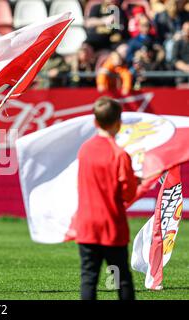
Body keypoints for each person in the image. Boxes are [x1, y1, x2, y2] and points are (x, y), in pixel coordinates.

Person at [75, 97, 138, 300]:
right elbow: (128, 193)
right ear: (119, 123)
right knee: (121, 278)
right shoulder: (120, 154)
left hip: (86, 226)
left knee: (88, 279)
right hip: (111, 225)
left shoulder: (84, 149)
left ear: (95, 122)